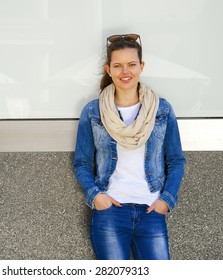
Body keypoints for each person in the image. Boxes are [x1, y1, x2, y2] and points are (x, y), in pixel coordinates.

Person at [73, 34, 186, 260]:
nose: (126, 72)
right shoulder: (93, 112)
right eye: (118, 65)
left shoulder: (161, 110)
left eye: (131, 64)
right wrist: (96, 196)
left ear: (141, 66)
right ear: (109, 69)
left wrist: (166, 200)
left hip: (151, 209)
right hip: (110, 212)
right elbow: (82, 163)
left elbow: (176, 160)